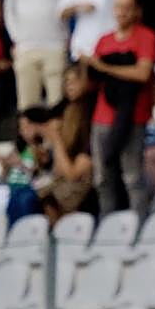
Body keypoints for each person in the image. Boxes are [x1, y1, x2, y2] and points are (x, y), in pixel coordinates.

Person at [85, 0, 155, 215]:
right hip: (102, 115)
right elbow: (92, 80)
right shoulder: (104, 40)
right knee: (102, 177)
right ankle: (109, 225)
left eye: (127, 7)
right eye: (118, 7)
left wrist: (105, 68)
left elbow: (143, 73)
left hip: (134, 117)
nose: (122, 12)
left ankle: (140, 226)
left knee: (133, 176)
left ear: (137, 11)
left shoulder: (146, 36)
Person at [3, 0, 76, 109]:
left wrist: (70, 38)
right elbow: (9, 8)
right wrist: (16, 39)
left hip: (56, 43)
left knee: (57, 100)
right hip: (26, 45)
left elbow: (75, 6)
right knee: (27, 102)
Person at [39, 64, 95, 222]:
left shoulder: (90, 115)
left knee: (55, 196)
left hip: (84, 177)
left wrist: (56, 139)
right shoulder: (64, 110)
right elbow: (59, 169)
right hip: (64, 175)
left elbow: (72, 173)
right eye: (66, 81)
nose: (69, 86)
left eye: (74, 81)